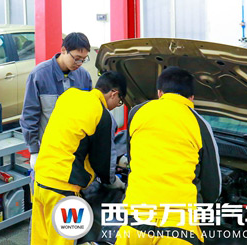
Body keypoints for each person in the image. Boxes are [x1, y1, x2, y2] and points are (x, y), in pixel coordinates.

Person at [117, 67, 221, 244]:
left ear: (160, 92)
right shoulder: (200, 124)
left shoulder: (137, 113)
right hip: (179, 229)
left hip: (134, 222)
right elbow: (212, 188)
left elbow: (132, 160)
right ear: (191, 97)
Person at [31, 71, 127, 245]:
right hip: (63, 189)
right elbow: (102, 163)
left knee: (41, 239)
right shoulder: (102, 115)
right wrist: (116, 182)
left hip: (40, 179)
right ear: (114, 93)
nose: (117, 106)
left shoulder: (69, 96)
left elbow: (73, 138)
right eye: (120, 101)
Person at [20, 32, 93, 170]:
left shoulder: (83, 76)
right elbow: (29, 116)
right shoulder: (39, 75)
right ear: (63, 50)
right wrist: (34, 151)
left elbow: (90, 112)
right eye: (77, 58)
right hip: (49, 150)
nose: (79, 63)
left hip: (76, 150)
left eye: (83, 59)